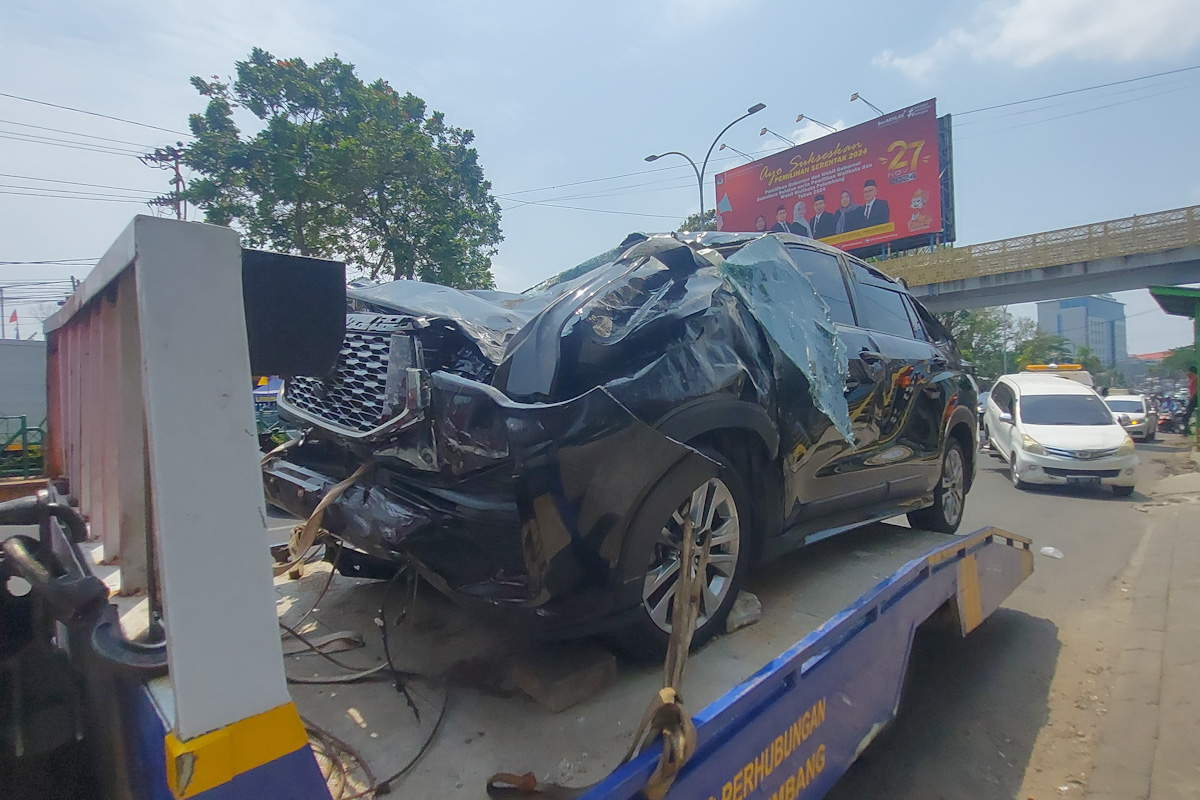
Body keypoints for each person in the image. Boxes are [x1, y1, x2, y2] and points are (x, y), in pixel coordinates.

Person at [1184, 365, 1197, 435]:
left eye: (1189, 371)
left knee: (1186, 416)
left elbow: (1195, 389)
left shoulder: (1195, 379)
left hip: (1195, 397)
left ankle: (1187, 431)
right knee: (1186, 416)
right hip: (1192, 398)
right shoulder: (1191, 379)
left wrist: (1192, 397)